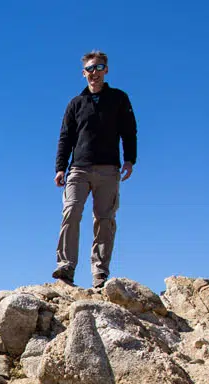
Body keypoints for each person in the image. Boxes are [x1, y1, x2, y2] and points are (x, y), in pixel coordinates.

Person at [53, 50, 137, 289]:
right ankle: (65, 267)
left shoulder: (119, 99)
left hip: (109, 169)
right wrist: (60, 167)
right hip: (78, 169)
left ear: (106, 70)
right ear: (84, 73)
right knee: (71, 213)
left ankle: (99, 273)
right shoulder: (76, 103)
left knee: (105, 220)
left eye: (99, 68)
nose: (94, 73)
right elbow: (65, 137)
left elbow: (129, 131)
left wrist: (130, 159)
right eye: (90, 69)